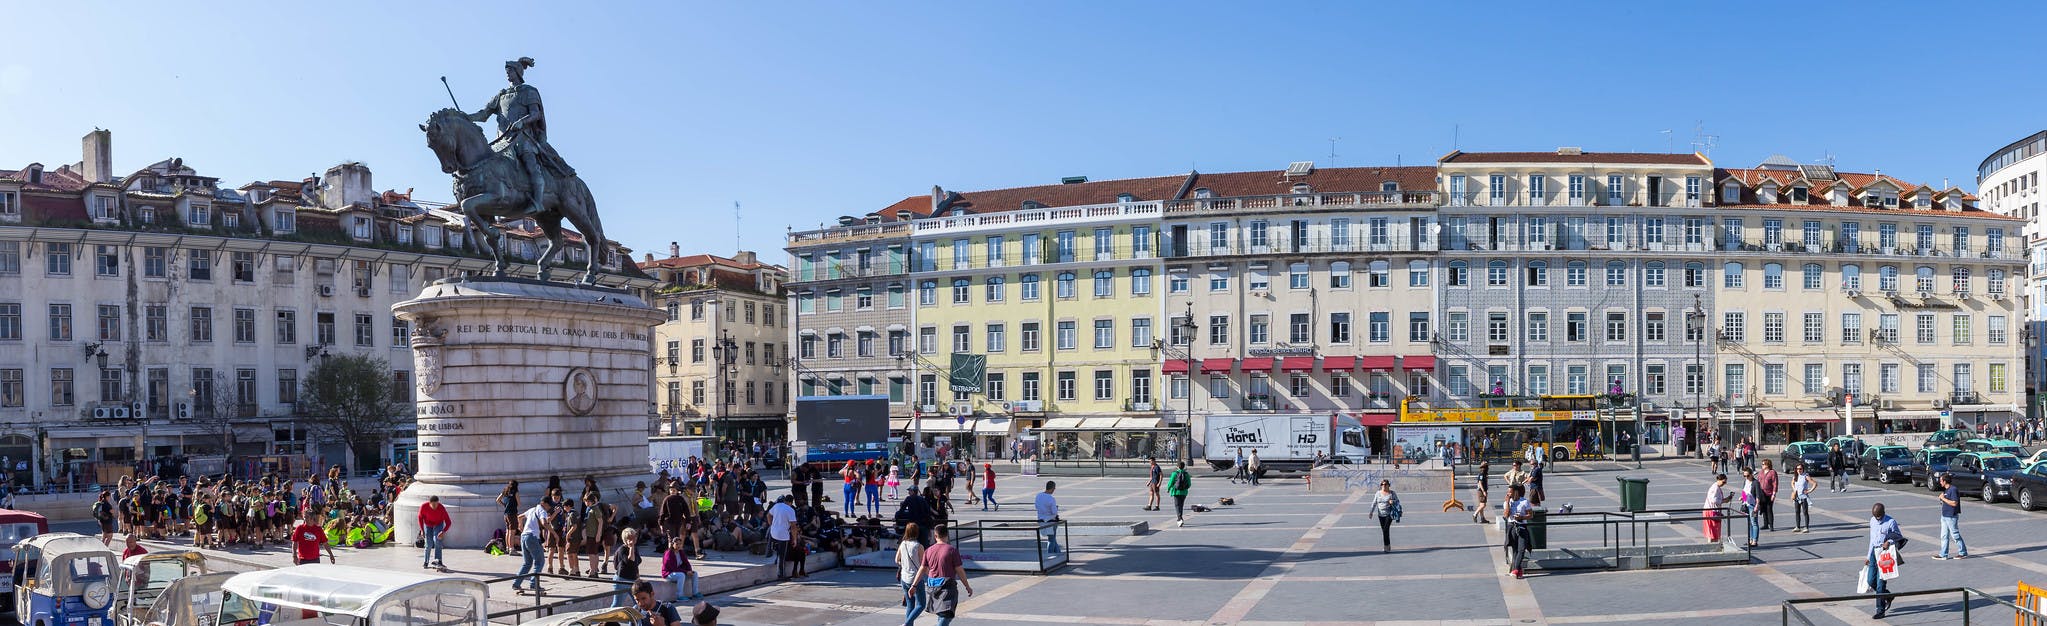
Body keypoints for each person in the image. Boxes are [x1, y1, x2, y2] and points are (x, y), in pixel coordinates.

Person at [919, 524, 974, 626]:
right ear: (947, 535)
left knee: (941, 615)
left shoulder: (928, 550)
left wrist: (914, 585)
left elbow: (923, 568)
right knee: (946, 615)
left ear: (935, 536)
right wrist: (967, 586)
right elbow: (960, 570)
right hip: (947, 587)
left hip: (932, 586)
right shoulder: (952, 550)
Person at [1867, 503, 1905, 619]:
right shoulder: (1872, 521)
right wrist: (1868, 556)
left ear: (1883, 512)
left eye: (1879, 516)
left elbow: (1898, 537)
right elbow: (1872, 540)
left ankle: (1880, 610)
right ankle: (1888, 595)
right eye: (1875, 516)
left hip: (1885, 554)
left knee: (1880, 584)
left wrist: (1889, 541)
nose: (1877, 519)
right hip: (1874, 552)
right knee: (1870, 581)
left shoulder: (1891, 522)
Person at [512, 498, 553, 594]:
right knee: (540, 561)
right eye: (549, 506)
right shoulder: (542, 511)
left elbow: (519, 517)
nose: (548, 508)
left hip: (524, 536)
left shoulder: (532, 509)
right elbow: (544, 523)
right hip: (533, 537)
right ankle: (533, 584)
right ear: (544, 504)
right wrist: (554, 534)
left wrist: (520, 526)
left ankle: (516, 583)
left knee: (527, 563)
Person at [897, 522, 927, 625]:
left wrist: (905, 564)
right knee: (921, 604)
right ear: (917, 532)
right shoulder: (919, 546)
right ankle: (907, 623)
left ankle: (909, 624)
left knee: (910, 605)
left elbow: (896, 560)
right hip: (916, 579)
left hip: (904, 578)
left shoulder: (903, 544)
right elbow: (924, 565)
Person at [1936, 474, 1968, 559]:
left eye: (1941, 481)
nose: (1940, 482)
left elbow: (1954, 503)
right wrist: (1942, 500)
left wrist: (1943, 499)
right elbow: (1946, 502)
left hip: (1951, 516)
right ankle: (1943, 554)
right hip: (1944, 516)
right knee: (1944, 536)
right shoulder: (1946, 490)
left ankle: (1963, 552)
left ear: (1945, 481)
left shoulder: (1953, 489)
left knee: (1955, 535)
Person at [1505, 484, 1533, 579]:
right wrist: (1508, 502)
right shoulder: (1507, 502)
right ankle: (1519, 571)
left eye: (1510, 491)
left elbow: (1530, 515)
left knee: (1522, 549)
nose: (1508, 493)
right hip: (1512, 527)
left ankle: (1515, 569)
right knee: (1515, 550)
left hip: (1522, 527)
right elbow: (1506, 515)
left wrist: (1521, 517)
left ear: (1515, 492)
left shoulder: (1524, 502)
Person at [767, 495, 799, 579]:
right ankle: (780, 574)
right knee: (782, 555)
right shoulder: (790, 510)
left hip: (773, 532)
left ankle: (773, 555)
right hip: (783, 535)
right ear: (791, 502)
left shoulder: (777, 505)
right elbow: (793, 526)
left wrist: (771, 525)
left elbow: (768, 515)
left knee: (777, 549)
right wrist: (795, 539)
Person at [662, 536, 700, 603]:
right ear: (672, 544)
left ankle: (695, 593)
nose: (678, 546)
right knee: (681, 575)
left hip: (678, 571)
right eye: (677, 544)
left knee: (695, 573)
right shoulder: (669, 553)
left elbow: (686, 562)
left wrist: (689, 571)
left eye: (680, 544)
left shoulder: (681, 552)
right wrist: (686, 572)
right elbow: (673, 568)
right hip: (668, 573)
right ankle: (679, 596)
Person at [610, 528, 642, 608]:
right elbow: (631, 561)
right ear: (625, 539)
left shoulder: (635, 548)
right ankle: (609, 619)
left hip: (633, 579)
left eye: (634, 537)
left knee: (639, 602)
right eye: (630, 538)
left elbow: (636, 564)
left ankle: (635, 618)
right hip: (622, 580)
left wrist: (637, 576)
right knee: (617, 604)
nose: (633, 540)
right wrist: (631, 548)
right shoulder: (622, 550)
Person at [418, 495, 451, 570]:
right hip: (428, 524)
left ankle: (439, 560)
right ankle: (426, 561)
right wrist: (422, 530)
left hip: (438, 524)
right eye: (433, 505)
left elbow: (448, 522)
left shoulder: (441, 508)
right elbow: (420, 518)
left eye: (436, 504)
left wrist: (443, 531)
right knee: (428, 543)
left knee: (437, 540)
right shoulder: (424, 507)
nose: (435, 506)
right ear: (429, 503)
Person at [1371, 480, 1402, 552]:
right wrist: (1371, 512)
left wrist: (1392, 501)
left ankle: (1386, 546)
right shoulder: (1378, 493)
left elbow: (1397, 501)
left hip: (1389, 514)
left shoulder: (1392, 493)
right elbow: (1374, 503)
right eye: (1382, 484)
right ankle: (1388, 545)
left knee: (1385, 530)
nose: (1383, 486)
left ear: (1388, 485)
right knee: (1385, 531)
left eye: (1385, 484)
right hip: (1380, 515)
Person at [1702, 473, 1731, 542]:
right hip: (1711, 511)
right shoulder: (1715, 488)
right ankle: (1712, 545)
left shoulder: (1717, 487)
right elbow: (1714, 500)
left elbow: (1717, 500)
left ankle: (1713, 544)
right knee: (1712, 531)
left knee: (1714, 531)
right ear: (1718, 480)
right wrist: (1723, 501)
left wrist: (1726, 499)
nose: (1724, 484)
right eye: (1723, 482)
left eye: (1725, 482)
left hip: (1712, 511)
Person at [1035, 481, 1062, 554]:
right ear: (1052, 488)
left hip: (1041, 520)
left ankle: (1059, 553)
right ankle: (1050, 555)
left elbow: (1036, 506)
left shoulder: (1038, 496)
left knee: (1052, 539)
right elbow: (1054, 512)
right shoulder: (1051, 498)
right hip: (1051, 520)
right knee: (1051, 539)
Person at [1166, 461, 1191, 526]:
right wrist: (1185, 488)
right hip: (1184, 492)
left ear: (1177, 466)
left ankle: (1180, 519)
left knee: (1177, 506)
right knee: (1181, 505)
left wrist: (1168, 489)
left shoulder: (1174, 473)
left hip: (1176, 492)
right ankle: (1180, 518)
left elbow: (1171, 482)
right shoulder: (1186, 474)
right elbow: (1189, 484)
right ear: (1184, 466)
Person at [1791, 465, 1814, 533]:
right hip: (1797, 497)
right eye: (1797, 469)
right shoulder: (1795, 476)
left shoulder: (1806, 476)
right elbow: (1792, 483)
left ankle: (1806, 527)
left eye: (1800, 469)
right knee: (1797, 512)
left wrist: (1809, 491)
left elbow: (1815, 484)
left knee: (1805, 512)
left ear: (1803, 469)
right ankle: (1798, 527)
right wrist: (1794, 489)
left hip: (1804, 497)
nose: (1799, 470)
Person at [1757, 460, 1779, 532]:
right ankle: (1765, 524)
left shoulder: (1772, 472)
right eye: (1762, 464)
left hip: (1769, 493)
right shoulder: (1761, 472)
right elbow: (1758, 481)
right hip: (1761, 493)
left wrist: (1774, 493)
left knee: (1769, 509)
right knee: (1763, 509)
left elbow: (1775, 483)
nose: (1762, 465)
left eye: (1763, 464)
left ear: (1768, 465)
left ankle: (1771, 525)